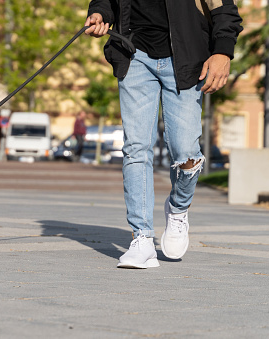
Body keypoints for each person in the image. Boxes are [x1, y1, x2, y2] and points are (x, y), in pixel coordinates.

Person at [85, 0, 242, 268]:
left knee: (186, 154)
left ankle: (178, 208)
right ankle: (142, 239)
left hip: (187, 58)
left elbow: (224, 8)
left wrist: (223, 52)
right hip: (134, 54)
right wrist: (99, 14)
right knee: (135, 147)